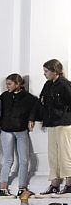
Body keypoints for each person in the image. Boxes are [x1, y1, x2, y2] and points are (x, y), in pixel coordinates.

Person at [0, 73, 38, 198]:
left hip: (21, 130)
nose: (7, 86)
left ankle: (22, 188)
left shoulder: (29, 98)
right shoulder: (4, 96)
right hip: (6, 130)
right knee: (8, 160)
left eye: (9, 84)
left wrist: (31, 119)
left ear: (18, 84)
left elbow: (36, 107)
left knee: (24, 160)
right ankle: (3, 189)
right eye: (7, 84)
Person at [38, 59, 71, 196]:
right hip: (51, 123)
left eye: (46, 71)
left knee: (65, 153)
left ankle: (69, 184)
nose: (44, 74)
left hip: (64, 123)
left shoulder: (65, 85)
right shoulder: (47, 85)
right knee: (53, 154)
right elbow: (42, 100)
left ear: (55, 71)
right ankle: (55, 184)